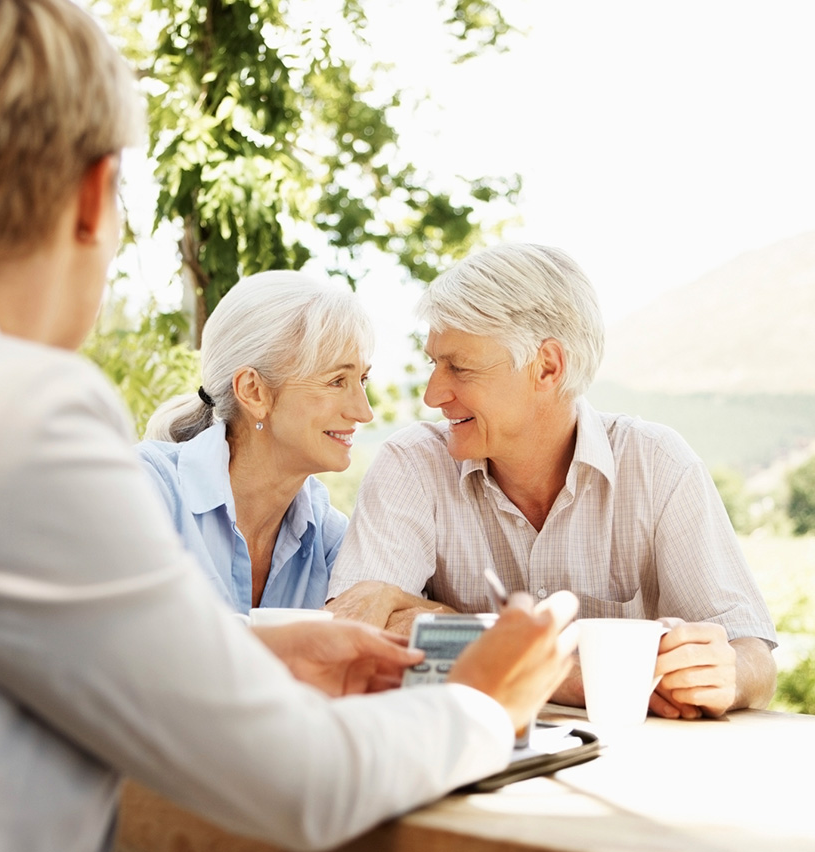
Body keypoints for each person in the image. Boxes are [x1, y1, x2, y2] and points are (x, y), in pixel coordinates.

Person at [0, 0, 578, 852]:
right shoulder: (21, 412)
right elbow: (292, 783)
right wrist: (479, 704)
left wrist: (241, 650)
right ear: (96, 195)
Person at [329, 243, 778, 720]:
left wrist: (724, 673)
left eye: (459, 367)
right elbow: (366, 629)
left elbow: (753, 657)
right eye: (433, 364)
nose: (433, 394)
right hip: (466, 761)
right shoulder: (412, 465)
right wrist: (588, 677)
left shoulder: (657, 465)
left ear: (547, 367)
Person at [138, 270, 383, 615]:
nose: (364, 411)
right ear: (253, 391)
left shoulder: (327, 534)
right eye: (336, 381)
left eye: (363, 379)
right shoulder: (146, 489)